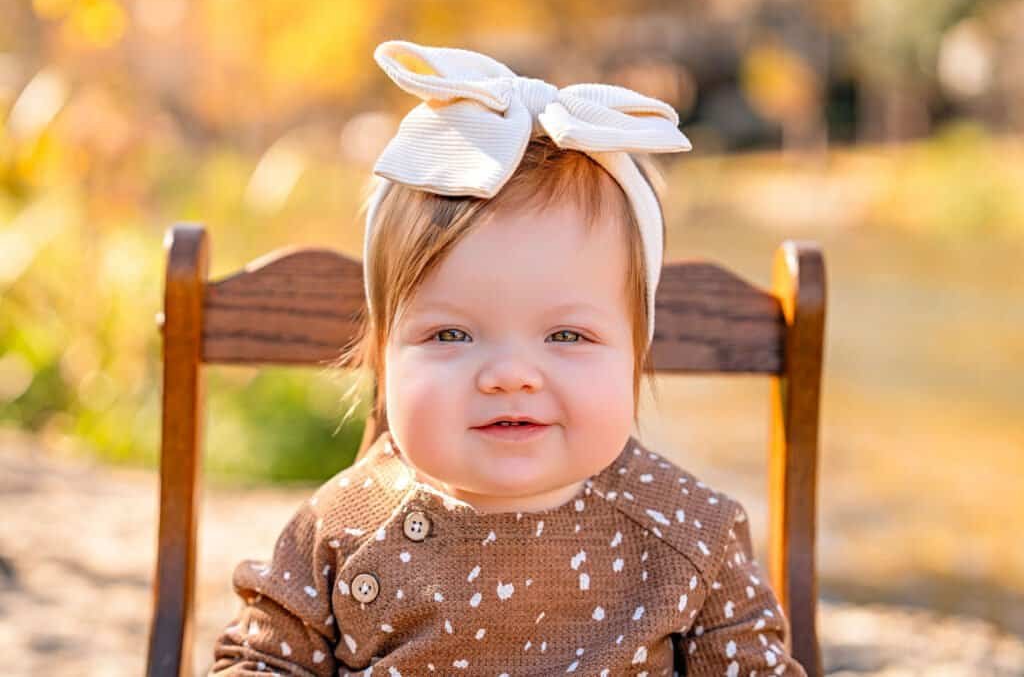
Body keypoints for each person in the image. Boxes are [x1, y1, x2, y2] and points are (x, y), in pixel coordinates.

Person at [209, 39, 807, 676]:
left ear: (637, 353)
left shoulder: (687, 535)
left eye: (567, 337)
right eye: (451, 336)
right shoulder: (341, 528)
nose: (510, 376)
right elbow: (261, 660)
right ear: (384, 357)